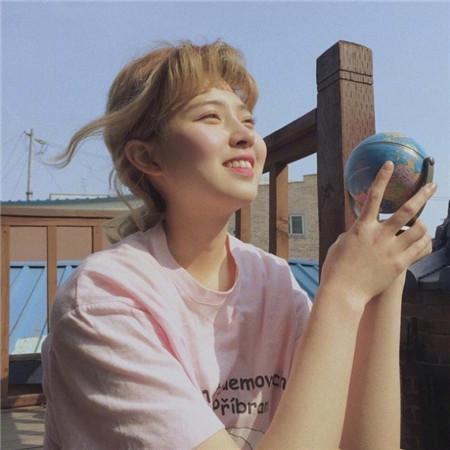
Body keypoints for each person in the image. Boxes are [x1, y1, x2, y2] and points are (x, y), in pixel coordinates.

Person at [41, 39, 436, 450]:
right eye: (210, 116)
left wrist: (384, 283)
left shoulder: (272, 280)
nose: (245, 136)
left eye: (247, 121)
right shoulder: (103, 300)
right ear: (147, 157)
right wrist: (342, 293)